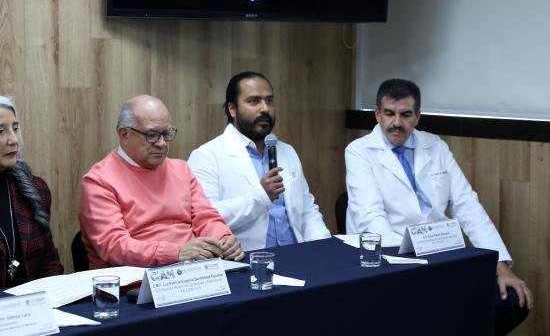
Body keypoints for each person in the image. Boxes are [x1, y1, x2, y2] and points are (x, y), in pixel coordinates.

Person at [345, 79, 533, 335]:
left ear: (417, 117)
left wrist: (500, 265)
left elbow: (467, 205)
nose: (396, 123)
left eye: (405, 115)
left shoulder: (436, 146)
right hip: (392, 262)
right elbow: (372, 220)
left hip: (442, 256)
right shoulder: (359, 152)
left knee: (512, 301)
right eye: (389, 113)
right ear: (377, 114)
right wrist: (415, 267)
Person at [79, 95, 244, 269]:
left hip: (192, 270)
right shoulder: (98, 181)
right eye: (152, 135)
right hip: (133, 278)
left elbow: (206, 218)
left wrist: (224, 239)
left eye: (166, 134)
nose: (162, 143)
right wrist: (176, 253)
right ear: (124, 134)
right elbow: (114, 246)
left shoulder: (181, 169)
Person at [188, 72, 331, 251]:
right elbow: (205, 219)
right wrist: (261, 196)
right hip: (247, 259)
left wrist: (324, 247)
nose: (265, 109)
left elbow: (307, 211)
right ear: (232, 109)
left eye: (269, 101)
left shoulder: (287, 151)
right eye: (254, 101)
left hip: (298, 255)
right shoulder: (206, 156)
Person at [0, 96, 63, 288]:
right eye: (1, 131)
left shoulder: (33, 189)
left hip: (32, 304)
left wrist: (44, 298)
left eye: (15, 129)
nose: (14, 140)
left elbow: (50, 262)